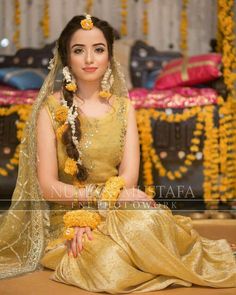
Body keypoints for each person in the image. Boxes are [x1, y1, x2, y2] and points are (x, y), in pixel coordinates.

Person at [0, 14, 236, 293]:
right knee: (110, 261)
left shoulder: (124, 108)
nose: (89, 58)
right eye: (79, 50)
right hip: (65, 223)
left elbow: (128, 178)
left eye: (98, 49)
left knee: (151, 222)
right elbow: (49, 187)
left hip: (116, 209)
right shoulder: (50, 110)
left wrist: (104, 208)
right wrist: (83, 217)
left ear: (109, 56)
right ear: (66, 57)